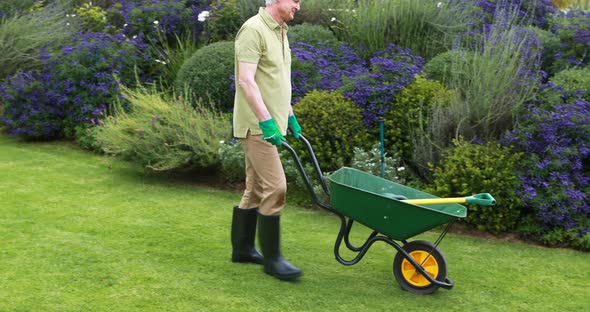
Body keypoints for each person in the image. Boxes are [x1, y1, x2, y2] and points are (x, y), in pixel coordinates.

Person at [230, 0, 303, 281]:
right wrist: (266, 121)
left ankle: (243, 250)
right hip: (257, 126)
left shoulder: (280, 31)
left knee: (257, 187)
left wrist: (290, 116)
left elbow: (278, 81)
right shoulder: (253, 30)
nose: (299, 4)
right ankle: (273, 261)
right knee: (277, 187)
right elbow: (246, 81)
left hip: (272, 123)